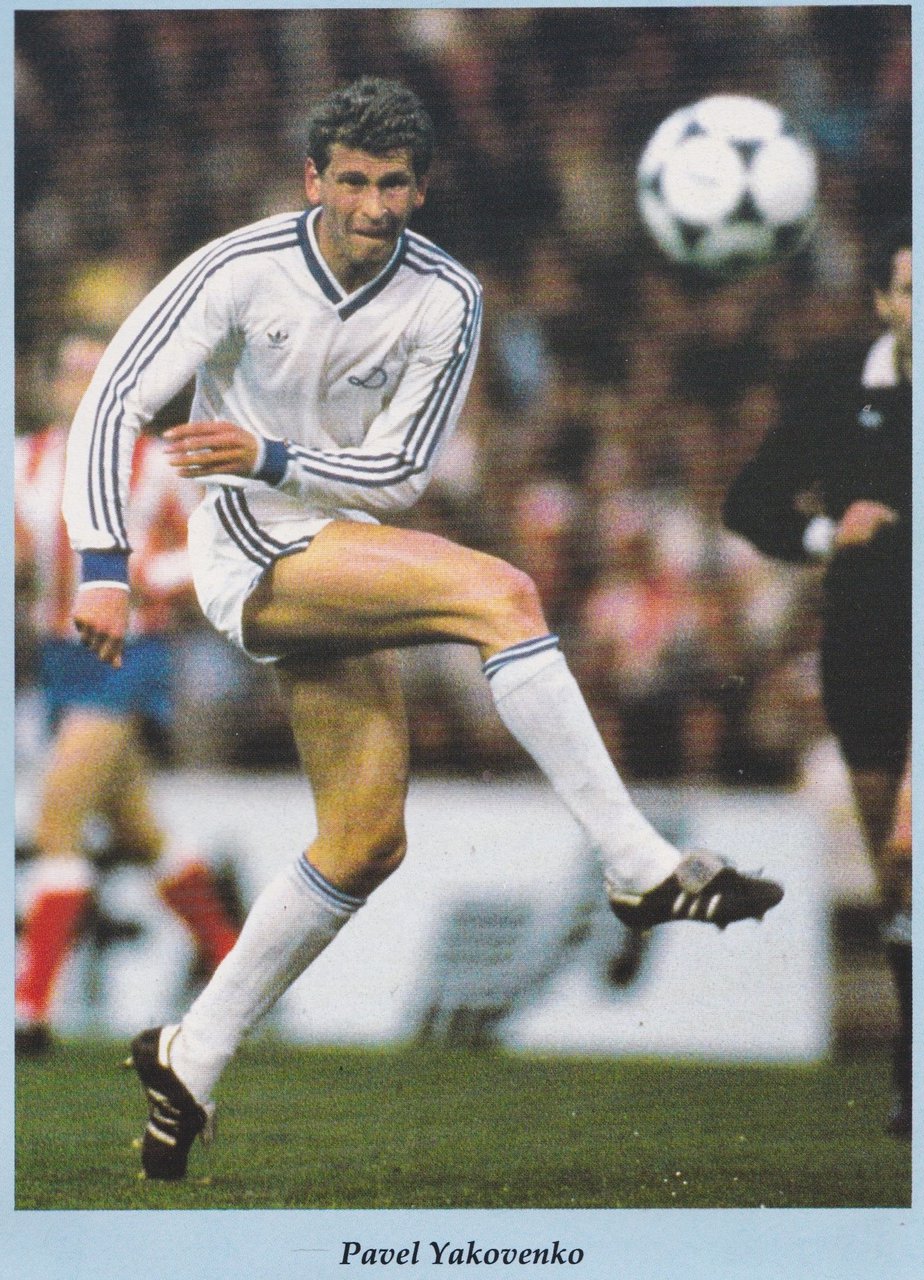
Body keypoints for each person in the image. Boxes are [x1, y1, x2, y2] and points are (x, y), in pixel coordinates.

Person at [62, 77, 783, 1180]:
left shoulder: (446, 295)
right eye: (350, 180)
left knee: (365, 839)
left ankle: (189, 1052)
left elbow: (399, 473)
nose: (371, 205)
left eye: (392, 184)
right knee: (502, 594)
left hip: (335, 536)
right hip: (247, 543)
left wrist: (270, 453)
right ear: (313, 180)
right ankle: (636, 861)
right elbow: (111, 400)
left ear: (421, 188)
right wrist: (104, 566)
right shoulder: (238, 268)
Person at [724, 219, 912, 1138]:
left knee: (912, 847)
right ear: (883, 302)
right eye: (911, 291)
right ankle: (914, 1058)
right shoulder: (839, 387)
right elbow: (749, 501)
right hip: (867, 645)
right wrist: (825, 533)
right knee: (895, 870)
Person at [15, 332, 240, 1056]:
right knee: (139, 829)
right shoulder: (23, 461)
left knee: (57, 817)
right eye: (70, 373)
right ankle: (232, 963)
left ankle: (27, 1010)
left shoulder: (156, 465)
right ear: (49, 384)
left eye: (95, 373)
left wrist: (147, 575)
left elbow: (212, 546)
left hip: (127, 654)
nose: (81, 386)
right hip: (58, 658)